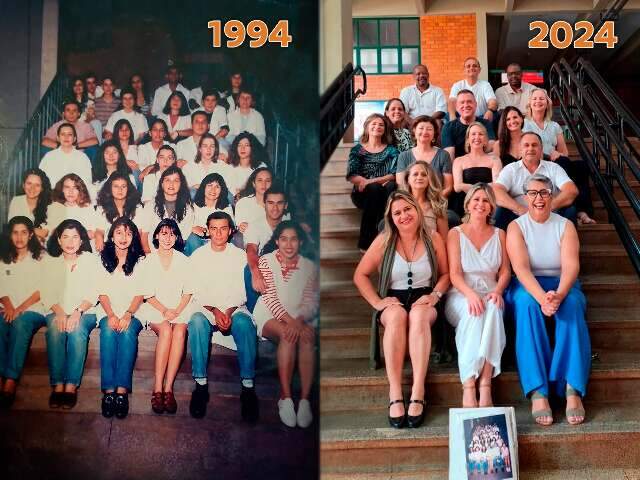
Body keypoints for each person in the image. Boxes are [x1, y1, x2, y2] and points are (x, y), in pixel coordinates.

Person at [354, 190, 449, 428]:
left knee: (417, 316)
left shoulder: (433, 238)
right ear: (391, 217)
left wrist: (435, 295)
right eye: (397, 212)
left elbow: (447, 274)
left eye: (407, 209)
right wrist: (377, 302)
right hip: (393, 300)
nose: (403, 215)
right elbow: (360, 275)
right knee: (396, 316)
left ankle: (418, 389)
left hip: (425, 299)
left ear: (416, 210)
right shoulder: (383, 241)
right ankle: (395, 392)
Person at [505, 173, 590, 426]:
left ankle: (572, 388)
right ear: (525, 197)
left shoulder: (565, 225)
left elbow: (571, 267)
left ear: (552, 196)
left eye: (544, 193)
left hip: (562, 283)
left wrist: (560, 294)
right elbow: (520, 269)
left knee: (572, 305)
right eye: (532, 193)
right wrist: (543, 298)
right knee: (526, 305)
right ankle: (538, 390)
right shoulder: (516, 227)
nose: (538, 199)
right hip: (528, 285)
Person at [186, 211, 259, 422]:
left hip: (233, 308)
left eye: (223, 228)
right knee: (197, 322)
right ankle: (200, 385)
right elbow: (195, 290)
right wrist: (215, 311)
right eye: (214, 229)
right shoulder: (198, 256)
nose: (218, 233)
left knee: (245, 325)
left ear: (230, 231)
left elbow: (241, 291)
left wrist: (227, 311)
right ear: (207, 231)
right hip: (207, 308)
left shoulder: (239, 255)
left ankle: (248, 387)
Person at [445, 184, 509, 408]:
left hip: (491, 292)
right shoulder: (456, 233)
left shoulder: (500, 234)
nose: (480, 204)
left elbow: (505, 271)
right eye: (476, 200)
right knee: (474, 314)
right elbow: (454, 273)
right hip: (461, 294)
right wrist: (470, 294)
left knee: (491, 308)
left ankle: (485, 383)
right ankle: (469, 385)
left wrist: (498, 291)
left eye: (485, 200)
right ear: (468, 204)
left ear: (491, 207)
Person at [253, 221, 318, 428]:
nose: (288, 244)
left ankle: (305, 400)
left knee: (307, 337)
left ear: (300, 242)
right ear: (277, 241)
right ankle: (286, 397)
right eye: (283, 239)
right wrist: (291, 324)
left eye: (293, 239)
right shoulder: (266, 261)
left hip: (298, 316)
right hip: (269, 314)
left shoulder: (309, 266)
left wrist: (299, 321)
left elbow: (311, 302)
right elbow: (270, 298)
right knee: (287, 335)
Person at [41, 219, 99, 409]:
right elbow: (47, 293)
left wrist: (77, 311)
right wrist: (59, 312)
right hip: (58, 310)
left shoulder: (90, 260)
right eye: (65, 236)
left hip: (85, 310)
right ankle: (58, 384)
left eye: (75, 237)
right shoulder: (51, 262)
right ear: (58, 240)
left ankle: (71, 385)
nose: (70, 241)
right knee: (54, 329)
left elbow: (94, 292)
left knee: (77, 330)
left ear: (82, 240)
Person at [138, 219, 192, 414]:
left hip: (180, 307)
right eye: (163, 233)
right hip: (155, 307)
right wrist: (164, 311)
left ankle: (169, 389)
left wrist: (176, 310)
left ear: (176, 237)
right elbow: (146, 294)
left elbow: (188, 292)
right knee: (167, 331)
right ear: (156, 236)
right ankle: (157, 387)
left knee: (179, 332)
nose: (167, 238)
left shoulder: (184, 261)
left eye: (171, 234)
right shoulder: (148, 260)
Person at [97, 217, 146, 419]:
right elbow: (101, 292)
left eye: (128, 233)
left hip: (133, 311)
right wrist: (111, 314)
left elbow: (140, 293)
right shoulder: (101, 258)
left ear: (133, 236)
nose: (123, 237)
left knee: (126, 333)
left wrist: (127, 314)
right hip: (107, 310)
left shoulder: (141, 260)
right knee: (108, 331)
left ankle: (122, 392)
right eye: (119, 232)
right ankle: (109, 392)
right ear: (111, 236)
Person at [523, 88, 595, 225]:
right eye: (535, 99)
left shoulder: (554, 125)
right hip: (537, 161)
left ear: (547, 103)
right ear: (530, 104)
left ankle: (583, 211)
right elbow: (524, 148)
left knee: (581, 166)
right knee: (563, 165)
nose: (538, 101)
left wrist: (558, 154)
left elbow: (564, 152)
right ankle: (574, 209)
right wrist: (547, 155)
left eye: (541, 98)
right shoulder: (525, 124)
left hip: (556, 161)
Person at [0, 217, 46, 408]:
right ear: (10, 235)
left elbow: (41, 290)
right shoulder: (3, 257)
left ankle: (10, 379)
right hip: (7, 307)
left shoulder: (42, 258)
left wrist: (19, 309)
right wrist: (9, 306)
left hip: (33, 309)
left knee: (20, 323)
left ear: (31, 234)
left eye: (24, 232)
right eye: (15, 232)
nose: (19, 237)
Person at [493, 132, 578, 229]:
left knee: (570, 210)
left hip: (550, 215)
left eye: (534, 145)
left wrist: (549, 207)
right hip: (519, 218)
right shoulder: (511, 169)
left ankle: (568, 243)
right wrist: (519, 209)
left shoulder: (553, 168)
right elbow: (496, 191)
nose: (530, 148)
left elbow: (571, 190)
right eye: (526, 145)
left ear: (541, 149)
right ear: (520, 150)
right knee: (500, 211)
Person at [347, 113, 398, 251]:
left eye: (381, 124)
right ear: (367, 127)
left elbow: (394, 174)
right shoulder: (358, 150)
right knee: (375, 189)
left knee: (390, 186)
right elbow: (352, 174)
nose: (377, 126)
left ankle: (386, 237)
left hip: (386, 190)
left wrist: (370, 181)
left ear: (385, 129)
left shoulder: (391, 150)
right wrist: (369, 183)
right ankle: (367, 242)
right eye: (374, 124)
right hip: (362, 193)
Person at [245, 185, 288, 311]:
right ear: (264, 204)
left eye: (279, 203)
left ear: (286, 205)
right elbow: (251, 250)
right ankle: (253, 314)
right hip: (265, 266)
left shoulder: (291, 224)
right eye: (270, 203)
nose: (275, 208)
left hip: (288, 266)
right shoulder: (255, 226)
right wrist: (256, 273)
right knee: (248, 269)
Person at [450, 122, 502, 217]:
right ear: (468, 140)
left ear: (486, 140)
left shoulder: (494, 159)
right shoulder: (459, 160)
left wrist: (468, 186)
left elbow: (496, 185)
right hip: (464, 205)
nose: (477, 137)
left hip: (488, 203)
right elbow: (457, 187)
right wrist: (485, 186)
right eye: (473, 134)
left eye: (480, 134)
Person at [140, 165, 195, 252]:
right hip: (152, 253)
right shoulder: (150, 206)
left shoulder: (188, 209)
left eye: (176, 181)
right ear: (162, 184)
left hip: (175, 254)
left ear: (181, 185)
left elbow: (182, 239)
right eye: (167, 180)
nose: (171, 184)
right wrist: (148, 256)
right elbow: (144, 236)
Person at [396, 116, 452, 195]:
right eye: (421, 128)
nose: (425, 132)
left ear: (434, 134)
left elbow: (448, 187)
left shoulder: (443, 155)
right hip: (411, 202)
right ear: (414, 131)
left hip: (437, 202)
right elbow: (401, 185)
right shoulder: (404, 156)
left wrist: (434, 201)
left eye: (429, 129)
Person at [185, 173, 234, 256]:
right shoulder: (193, 205)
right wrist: (192, 228)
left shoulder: (226, 207)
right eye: (210, 185)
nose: (213, 190)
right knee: (192, 239)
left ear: (221, 190)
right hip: (196, 240)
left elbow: (230, 228)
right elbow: (184, 224)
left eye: (217, 187)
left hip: (218, 240)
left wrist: (205, 232)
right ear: (204, 187)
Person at [94, 173, 144, 252]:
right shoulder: (102, 208)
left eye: (123, 186)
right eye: (116, 186)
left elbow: (139, 233)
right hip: (109, 248)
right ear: (110, 188)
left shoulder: (138, 207)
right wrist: (99, 238)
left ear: (128, 188)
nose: (120, 190)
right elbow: (99, 231)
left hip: (131, 247)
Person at [442, 90, 496, 163]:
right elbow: (449, 156)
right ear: (456, 107)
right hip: (458, 168)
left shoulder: (485, 123)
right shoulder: (448, 127)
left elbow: (492, 145)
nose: (466, 105)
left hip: (482, 165)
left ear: (476, 104)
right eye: (462, 102)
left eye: (469, 102)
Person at [39, 123, 93, 189]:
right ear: (58, 138)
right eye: (63, 134)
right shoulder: (49, 156)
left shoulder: (83, 157)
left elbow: (87, 182)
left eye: (70, 134)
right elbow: (41, 178)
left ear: (74, 139)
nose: (66, 137)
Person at [47, 174, 98, 243]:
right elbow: (51, 233)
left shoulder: (87, 207)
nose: (71, 191)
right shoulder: (55, 207)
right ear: (62, 189)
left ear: (80, 190)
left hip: (83, 246)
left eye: (75, 187)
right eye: (67, 187)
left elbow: (93, 233)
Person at [405, 161, 448, 240]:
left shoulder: (437, 206)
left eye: (424, 175)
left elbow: (444, 240)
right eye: (415, 174)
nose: (419, 177)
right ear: (408, 179)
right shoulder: (400, 205)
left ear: (429, 179)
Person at [8, 168, 52, 243]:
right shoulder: (16, 201)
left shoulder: (50, 205)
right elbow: (13, 228)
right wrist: (36, 232)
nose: (32, 188)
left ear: (42, 188)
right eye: (29, 183)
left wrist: (23, 229)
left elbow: (45, 233)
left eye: (37, 185)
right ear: (23, 185)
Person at [448, 57, 498, 123]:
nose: (471, 68)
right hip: (461, 119)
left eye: (475, 66)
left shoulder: (485, 85)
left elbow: (492, 101)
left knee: (495, 115)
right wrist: (452, 116)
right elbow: (452, 101)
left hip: (481, 118)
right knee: (447, 116)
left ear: (479, 70)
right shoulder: (457, 85)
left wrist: (490, 110)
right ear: (464, 70)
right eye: (468, 66)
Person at [235, 167, 274, 237]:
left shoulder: (280, 203)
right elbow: (239, 228)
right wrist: (241, 227)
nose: (264, 184)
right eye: (260, 180)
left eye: (267, 181)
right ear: (253, 183)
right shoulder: (243, 204)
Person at [227, 132, 269, 197]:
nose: (242, 148)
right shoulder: (230, 167)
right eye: (239, 145)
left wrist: (244, 192)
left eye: (246, 145)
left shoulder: (261, 167)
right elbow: (230, 188)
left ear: (252, 148)